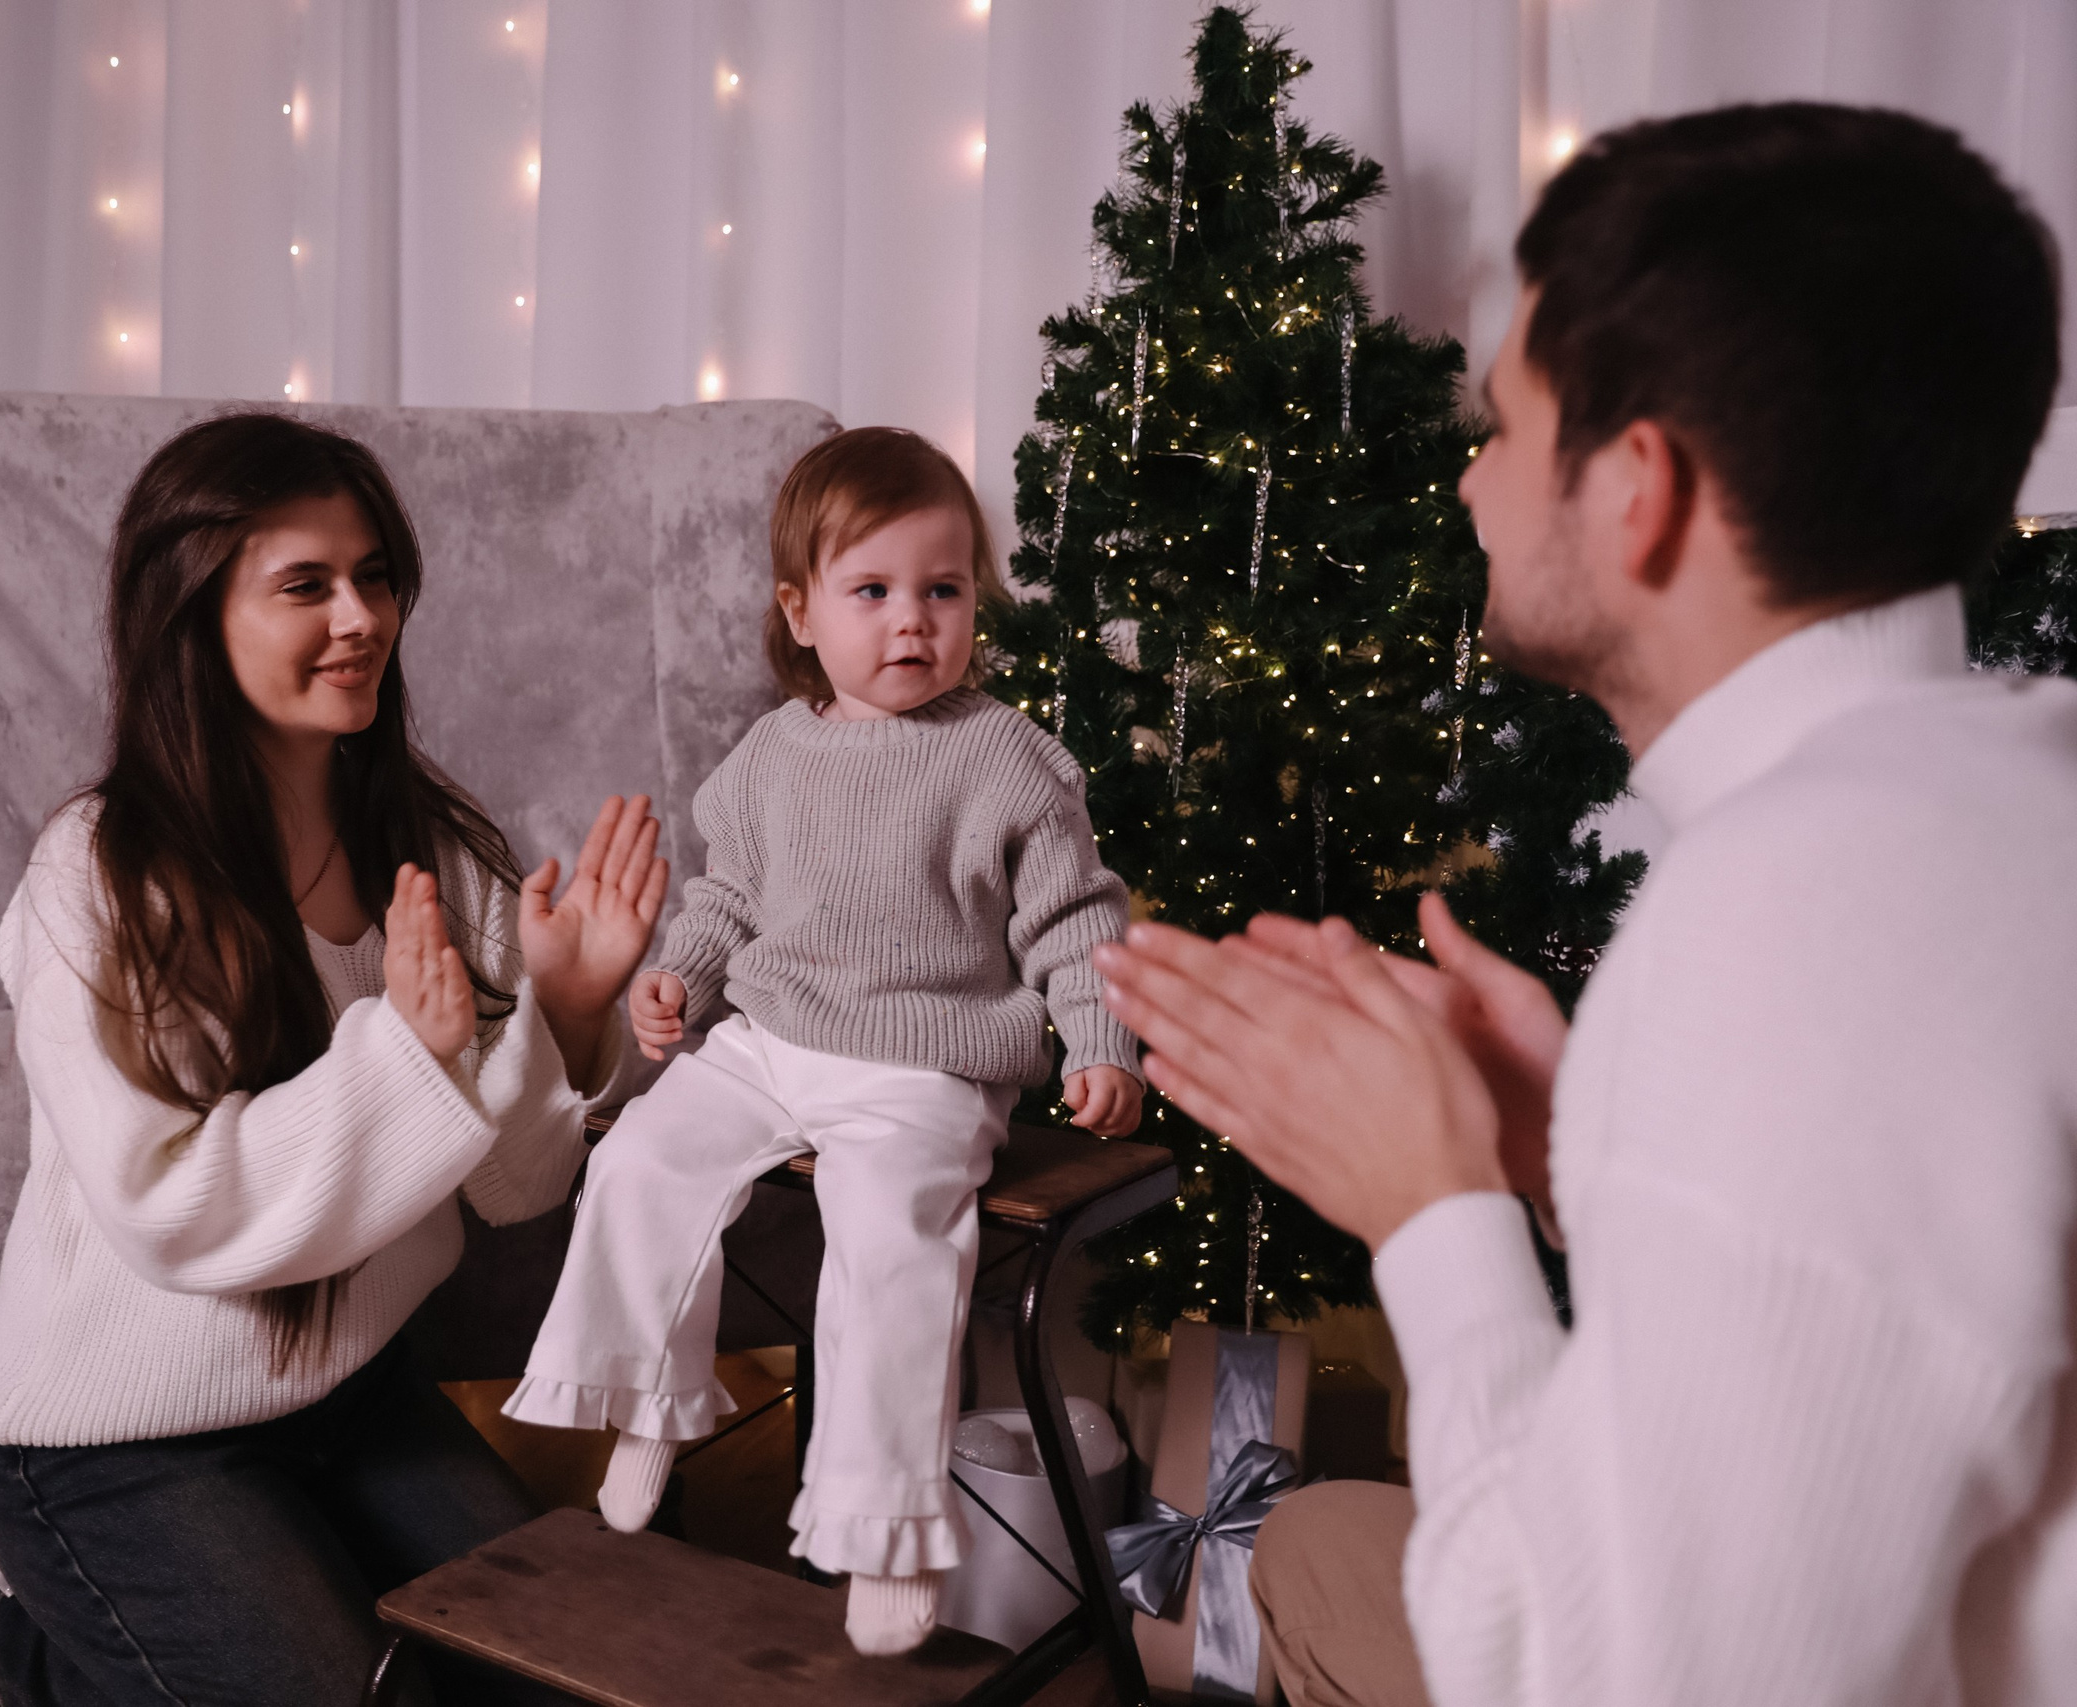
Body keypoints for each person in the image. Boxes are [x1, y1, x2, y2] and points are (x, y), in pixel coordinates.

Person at [1094, 103, 2074, 1706]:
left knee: (1310, 1560)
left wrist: (1435, 1208)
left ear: (1640, 488)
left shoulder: (1791, 920)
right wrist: (1572, 1164)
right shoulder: (2009, 785)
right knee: (1326, 1536)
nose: (1472, 485)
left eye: (1502, 426)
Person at [0, 413, 665, 1707]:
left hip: (345, 1399)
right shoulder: (100, 878)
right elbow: (167, 1206)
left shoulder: (427, 842)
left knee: (573, 1675)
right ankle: (18, 1649)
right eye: (306, 584)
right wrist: (406, 1058)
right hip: (112, 1439)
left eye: (374, 575)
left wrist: (570, 1010)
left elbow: (515, 1187)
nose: (362, 615)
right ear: (192, 612)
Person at [500, 426, 1145, 1656]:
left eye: (942, 592)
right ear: (800, 613)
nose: (913, 622)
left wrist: (1095, 1038)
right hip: (771, 1036)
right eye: (874, 592)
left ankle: (880, 1522)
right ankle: (650, 1399)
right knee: (638, 1160)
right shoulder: (768, 758)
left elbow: (1073, 915)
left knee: (894, 1251)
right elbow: (726, 900)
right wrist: (677, 982)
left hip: (928, 1063)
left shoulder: (1005, 758)